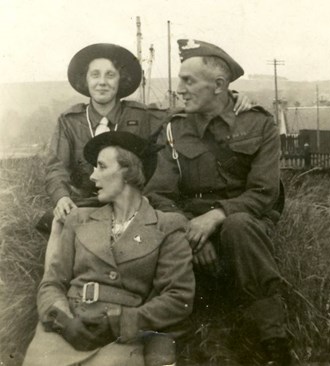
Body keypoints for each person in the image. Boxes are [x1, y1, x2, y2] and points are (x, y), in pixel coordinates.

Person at [144, 39, 291, 366]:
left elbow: (264, 192)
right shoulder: (173, 129)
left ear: (219, 86)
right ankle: (181, 338)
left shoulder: (258, 123)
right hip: (188, 221)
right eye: (180, 79)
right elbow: (159, 194)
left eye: (189, 80)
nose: (179, 88)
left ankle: (276, 342)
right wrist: (190, 233)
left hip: (245, 220)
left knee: (237, 226)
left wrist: (216, 217)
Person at [23, 131, 194, 366]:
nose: (93, 176)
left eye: (101, 167)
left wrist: (118, 323)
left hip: (120, 338)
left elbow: (178, 298)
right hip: (64, 331)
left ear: (129, 172)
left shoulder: (167, 226)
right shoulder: (79, 219)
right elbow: (52, 282)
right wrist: (63, 321)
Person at [40, 43, 252, 230]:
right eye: (95, 75)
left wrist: (230, 97)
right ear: (85, 80)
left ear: (120, 80)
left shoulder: (143, 115)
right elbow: (56, 167)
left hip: (132, 204)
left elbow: (186, 111)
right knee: (56, 223)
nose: (102, 82)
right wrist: (62, 197)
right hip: (86, 202)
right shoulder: (69, 121)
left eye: (110, 75)